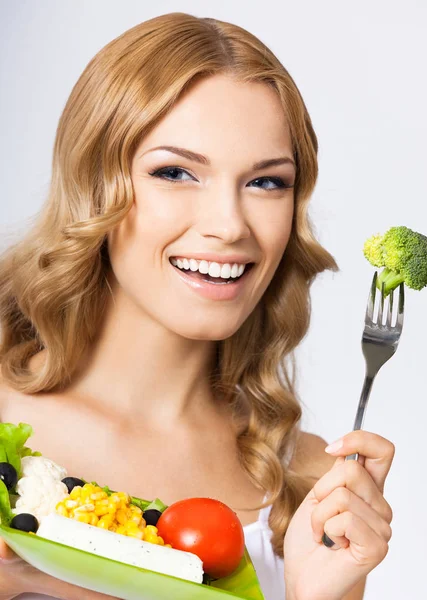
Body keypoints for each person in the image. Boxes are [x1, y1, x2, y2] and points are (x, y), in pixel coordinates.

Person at [0, 12, 394, 600]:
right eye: (175, 172)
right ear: (94, 184)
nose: (230, 226)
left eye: (266, 183)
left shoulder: (311, 484)